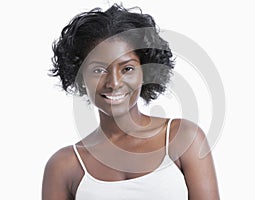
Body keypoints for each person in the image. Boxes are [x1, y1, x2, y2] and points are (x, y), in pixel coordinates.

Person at [42, 4, 220, 200]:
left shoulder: (184, 139)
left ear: (145, 72)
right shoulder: (64, 166)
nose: (114, 83)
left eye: (127, 69)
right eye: (98, 70)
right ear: (80, 77)